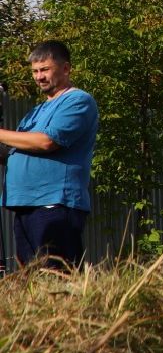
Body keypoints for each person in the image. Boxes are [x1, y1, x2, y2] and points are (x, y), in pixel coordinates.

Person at [1, 41, 100, 269]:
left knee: (57, 274)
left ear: (65, 68)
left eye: (45, 69)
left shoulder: (78, 100)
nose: (39, 77)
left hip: (54, 202)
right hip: (24, 204)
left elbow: (47, 142)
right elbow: (15, 151)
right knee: (32, 280)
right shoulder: (36, 111)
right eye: (35, 71)